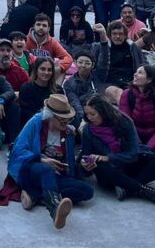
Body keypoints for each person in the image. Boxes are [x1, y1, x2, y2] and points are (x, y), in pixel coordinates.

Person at [8, 93, 93, 228]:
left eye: (68, 120)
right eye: (62, 120)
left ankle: (34, 195)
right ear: (50, 116)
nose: (66, 124)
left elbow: (71, 165)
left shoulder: (68, 132)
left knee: (87, 191)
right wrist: (41, 159)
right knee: (46, 169)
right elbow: (18, 151)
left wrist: (82, 165)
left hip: (55, 175)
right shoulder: (35, 123)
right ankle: (54, 208)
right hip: (32, 170)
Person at [80, 94, 155, 206]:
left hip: (128, 163)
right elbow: (86, 157)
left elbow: (133, 154)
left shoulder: (124, 122)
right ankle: (143, 190)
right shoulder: (88, 130)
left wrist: (109, 157)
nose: (89, 118)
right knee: (100, 167)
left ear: (103, 112)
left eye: (93, 114)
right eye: (87, 114)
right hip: (110, 172)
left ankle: (128, 188)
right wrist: (86, 164)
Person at [119, 65, 155, 158]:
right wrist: (138, 145)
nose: (135, 74)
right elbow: (126, 123)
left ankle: (144, 156)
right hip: (133, 138)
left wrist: (148, 147)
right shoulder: (127, 94)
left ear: (149, 79)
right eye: (136, 72)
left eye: (140, 72)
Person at [92, 21, 145, 103]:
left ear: (125, 35)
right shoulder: (100, 47)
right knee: (118, 93)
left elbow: (142, 64)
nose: (118, 36)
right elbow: (98, 67)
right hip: (108, 83)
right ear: (109, 35)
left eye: (120, 34)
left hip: (129, 82)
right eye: (114, 34)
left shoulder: (133, 48)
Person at [25, 13, 73, 81]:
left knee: (62, 70)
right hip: (31, 72)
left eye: (44, 25)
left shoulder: (52, 42)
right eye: (38, 24)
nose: (41, 27)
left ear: (48, 29)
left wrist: (59, 68)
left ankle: (55, 87)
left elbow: (68, 58)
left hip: (47, 73)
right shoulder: (26, 40)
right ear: (34, 26)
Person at [18, 57, 60, 126]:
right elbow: (26, 114)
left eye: (49, 70)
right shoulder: (26, 88)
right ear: (36, 70)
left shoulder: (58, 90)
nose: (46, 72)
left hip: (54, 126)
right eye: (43, 69)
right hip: (33, 125)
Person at [63, 52, 98, 129]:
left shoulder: (97, 77)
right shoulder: (68, 83)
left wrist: (104, 45)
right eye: (80, 62)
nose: (83, 65)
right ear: (75, 62)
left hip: (97, 110)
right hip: (79, 113)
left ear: (92, 65)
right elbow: (74, 102)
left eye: (87, 63)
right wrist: (83, 118)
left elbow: (104, 63)